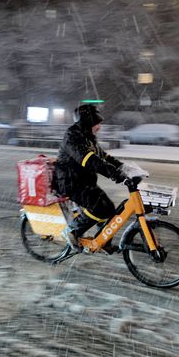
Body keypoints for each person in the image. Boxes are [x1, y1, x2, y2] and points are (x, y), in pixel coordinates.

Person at [54, 104, 127, 252]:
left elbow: (103, 156)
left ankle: (103, 240)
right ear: (87, 122)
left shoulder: (88, 137)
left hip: (85, 182)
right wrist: (113, 174)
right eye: (97, 123)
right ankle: (72, 232)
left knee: (109, 208)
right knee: (99, 208)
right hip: (71, 182)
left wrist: (123, 167)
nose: (99, 127)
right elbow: (90, 159)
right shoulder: (72, 136)